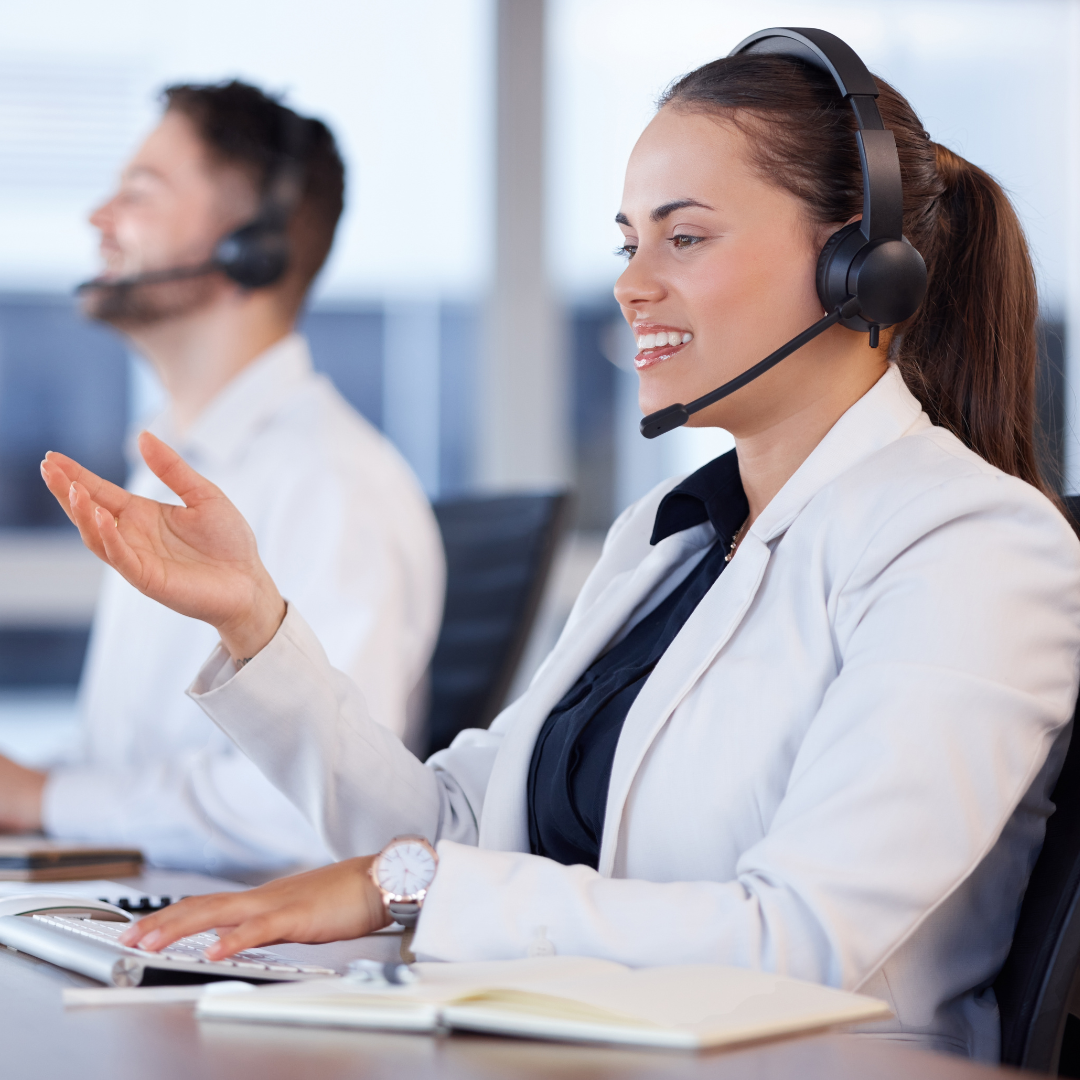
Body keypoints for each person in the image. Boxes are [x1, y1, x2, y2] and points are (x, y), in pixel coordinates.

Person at [38, 35, 1080, 1060]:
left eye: (685, 237)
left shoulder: (971, 547)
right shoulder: (666, 546)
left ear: (861, 263)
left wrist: (415, 888)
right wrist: (255, 624)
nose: (631, 284)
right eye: (629, 241)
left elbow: (798, 941)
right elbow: (448, 820)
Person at [0, 82, 445, 875]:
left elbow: (310, 811)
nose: (99, 220)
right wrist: (35, 786)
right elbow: (125, 759)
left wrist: (43, 799)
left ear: (253, 244)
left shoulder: (332, 482)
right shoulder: (178, 466)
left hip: (237, 968)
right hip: (145, 913)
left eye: (139, 193)